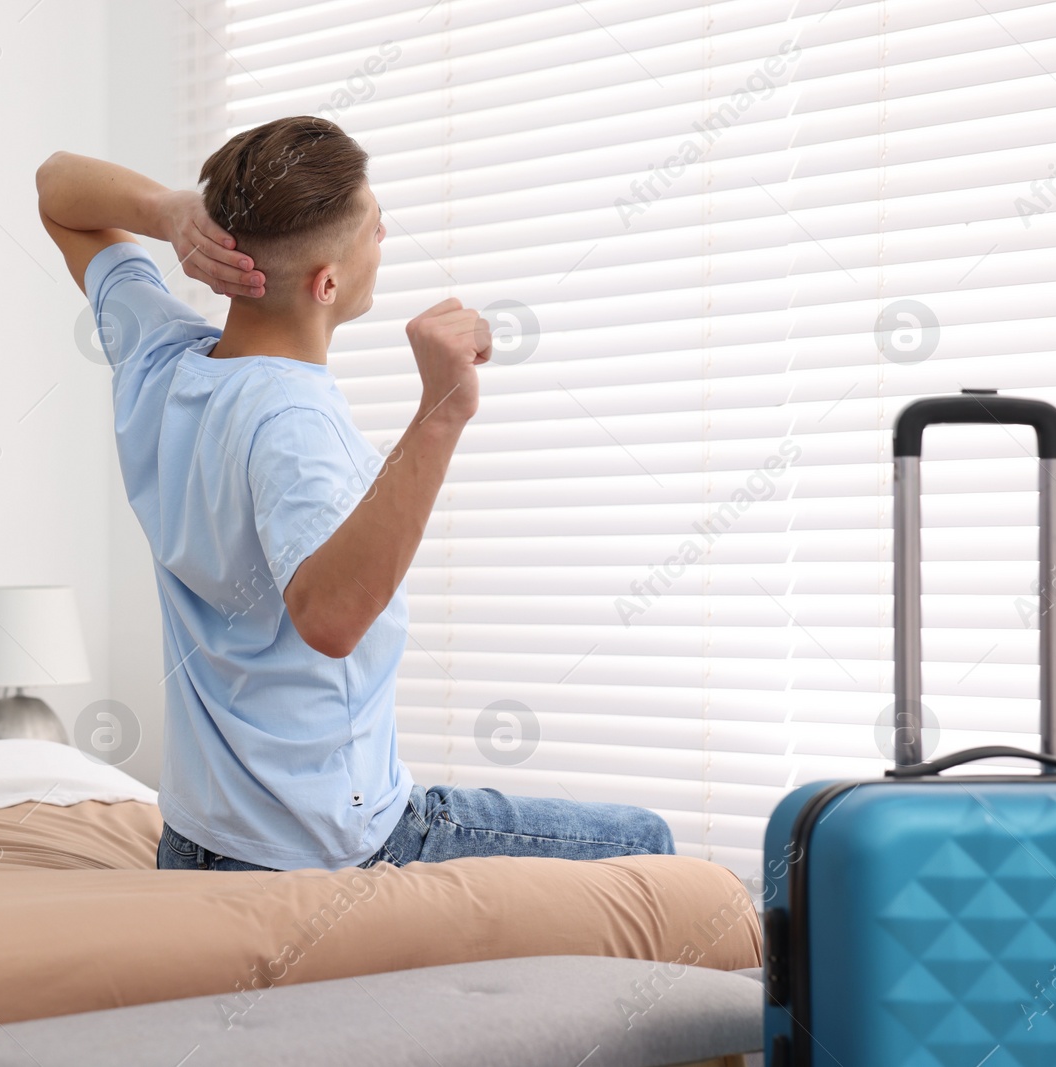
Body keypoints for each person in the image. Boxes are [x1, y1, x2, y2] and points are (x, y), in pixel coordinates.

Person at [35, 116, 674, 872]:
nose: (385, 235)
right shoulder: (293, 422)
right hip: (321, 847)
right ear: (326, 283)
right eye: (376, 226)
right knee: (651, 846)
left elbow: (56, 186)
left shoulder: (158, 356)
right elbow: (331, 617)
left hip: (195, 839)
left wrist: (173, 212)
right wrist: (442, 410)